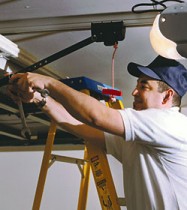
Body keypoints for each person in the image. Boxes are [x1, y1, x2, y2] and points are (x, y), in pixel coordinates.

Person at [8, 55, 187, 210]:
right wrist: (40, 98)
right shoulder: (142, 136)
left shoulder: (171, 123)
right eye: (137, 85)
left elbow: (96, 117)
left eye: (144, 86)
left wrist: (48, 82)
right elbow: (80, 126)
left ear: (167, 96)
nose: (134, 92)